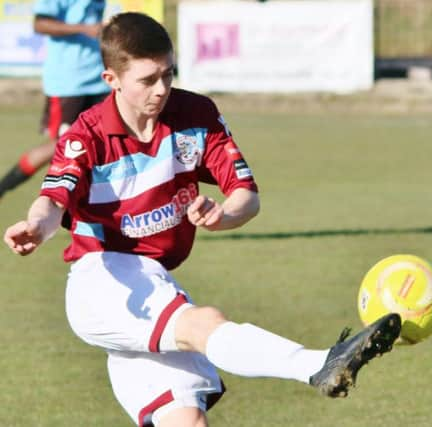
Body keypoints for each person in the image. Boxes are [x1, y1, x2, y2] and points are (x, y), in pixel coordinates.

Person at [3, 12, 401, 427]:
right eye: (147, 80)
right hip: (104, 281)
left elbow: (246, 196)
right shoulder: (85, 137)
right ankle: (318, 364)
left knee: (187, 421)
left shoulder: (195, 115)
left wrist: (222, 213)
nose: (161, 90)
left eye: (168, 74)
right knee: (204, 323)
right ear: (111, 80)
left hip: (152, 279)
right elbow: (53, 202)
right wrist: (36, 226)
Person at [0, 0, 110, 200]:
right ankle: (5, 187)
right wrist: (84, 29)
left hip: (100, 81)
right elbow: (39, 23)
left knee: (105, 141)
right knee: (64, 146)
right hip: (68, 83)